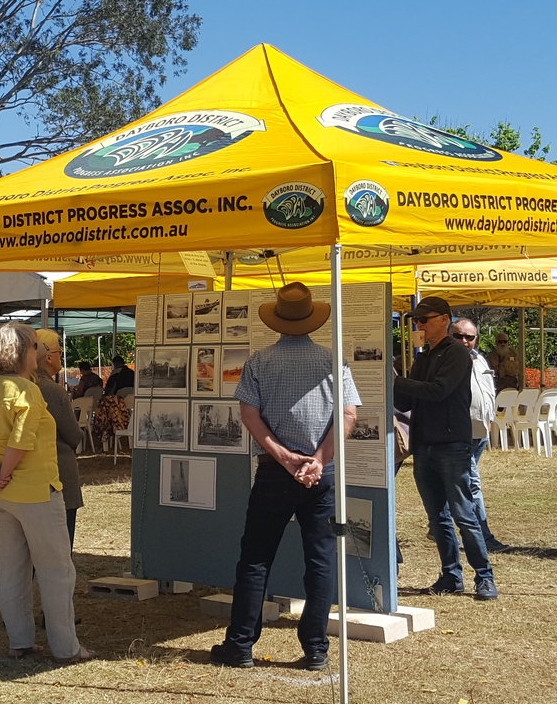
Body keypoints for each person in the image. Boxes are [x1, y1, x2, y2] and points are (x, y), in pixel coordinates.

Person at [210, 283, 360, 671]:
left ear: (277, 321)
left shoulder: (259, 363)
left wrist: (284, 457)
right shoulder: (334, 361)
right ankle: (316, 648)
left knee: (256, 557)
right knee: (321, 559)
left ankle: (240, 644)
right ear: (312, 320)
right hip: (319, 473)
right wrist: (317, 460)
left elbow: (249, 415)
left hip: (275, 473)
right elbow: (349, 416)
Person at [0, 323, 89, 662]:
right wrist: (3, 472)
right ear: (24, 352)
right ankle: (66, 647)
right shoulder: (29, 392)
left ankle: (19, 641)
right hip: (36, 492)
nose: (41, 353)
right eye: (36, 346)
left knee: (10, 569)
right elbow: (22, 440)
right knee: (57, 570)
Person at [393, 296, 497, 601]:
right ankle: (451, 575)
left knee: (464, 514)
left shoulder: (457, 353)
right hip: (424, 444)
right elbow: (407, 402)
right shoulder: (425, 355)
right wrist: (390, 385)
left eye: (424, 320)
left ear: (443, 321)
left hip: (452, 445)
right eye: (417, 321)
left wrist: (398, 382)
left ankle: (484, 576)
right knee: (437, 517)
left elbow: (438, 392)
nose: (419, 326)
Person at [451, 318, 510, 552]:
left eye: (470, 337)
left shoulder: (479, 358)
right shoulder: (446, 361)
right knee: (472, 485)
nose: (465, 341)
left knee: (458, 484)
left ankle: (439, 526)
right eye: (459, 336)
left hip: (480, 432)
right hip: (461, 433)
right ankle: (483, 537)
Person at [32, 329, 86, 541]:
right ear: (48, 356)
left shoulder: (23, 385)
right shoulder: (51, 390)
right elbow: (73, 435)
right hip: (58, 471)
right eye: (59, 351)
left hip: (31, 479)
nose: (61, 356)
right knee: (61, 542)